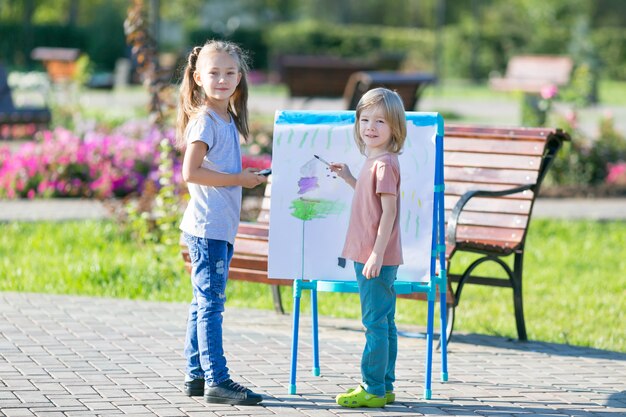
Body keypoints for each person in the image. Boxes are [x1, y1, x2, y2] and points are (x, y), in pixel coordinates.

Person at [174, 40, 267, 406]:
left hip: (217, 228)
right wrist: (239, 180)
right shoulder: (205, 120)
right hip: (208, 228)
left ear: (240, 78)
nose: (222, 79)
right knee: (211, 303)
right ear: (198, 78)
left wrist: (246, 177)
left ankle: (195, 376)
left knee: (202, 303)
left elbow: (220, 170)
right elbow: (190, 172)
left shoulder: (225, 119)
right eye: (214, 73)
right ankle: (218, 380)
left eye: (230, 73)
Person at [329, 88, 406, 408]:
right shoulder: (374, 162)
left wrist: (376, 253)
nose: (370, 127)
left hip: (374, 256)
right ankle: (384, 385)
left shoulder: (384, 164)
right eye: (364, 120)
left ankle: (372, 387)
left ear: (395, 129)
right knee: (384, 321)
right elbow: (371, 199)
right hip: (373, 254)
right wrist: (349, 177)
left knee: (374, 323)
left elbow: (390, 211)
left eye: (380, 121)